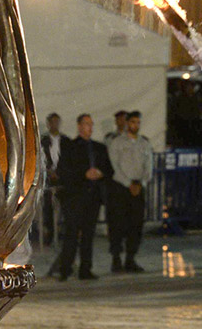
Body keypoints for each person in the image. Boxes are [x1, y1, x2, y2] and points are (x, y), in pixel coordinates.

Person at [52, 114, 113, 281]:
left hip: (93, 197)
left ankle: (86, 268)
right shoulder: (71, 147)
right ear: (79, 126)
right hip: (75, 197)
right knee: (72, 233)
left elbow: (109, 169)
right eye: (86, 124)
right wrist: (84, 174)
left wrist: (99, 173)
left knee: (88, 234)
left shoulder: (99, 148)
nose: (90, 128)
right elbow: (64, 172)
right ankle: (66, 268)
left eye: (91, 124)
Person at [107, 111, 153, 273]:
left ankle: (130, 258)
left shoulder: (144, 143)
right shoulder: (117, 142)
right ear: (127, 123)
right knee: (118, 224)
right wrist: (128, 184)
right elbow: (114, 166)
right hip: (121, 187)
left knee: (136, 225)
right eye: (133, 122)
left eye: (138, 122)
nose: (135, 125)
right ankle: (116, 259)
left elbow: (149, 167)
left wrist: (142, 184)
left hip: (138, 187)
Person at [40, 112, 69, 248]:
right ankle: (49, 231)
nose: (54, 125)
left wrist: (59, 172)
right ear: (48, 124)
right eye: (52, 122)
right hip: (48, 177)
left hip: (62, 177)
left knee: (66, 200)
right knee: (47, 201)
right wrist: (49, 170)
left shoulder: (65, 140)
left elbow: (68, 159)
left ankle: (64, 229)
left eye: (57, 122)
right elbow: (40, 158)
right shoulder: (42, 140)